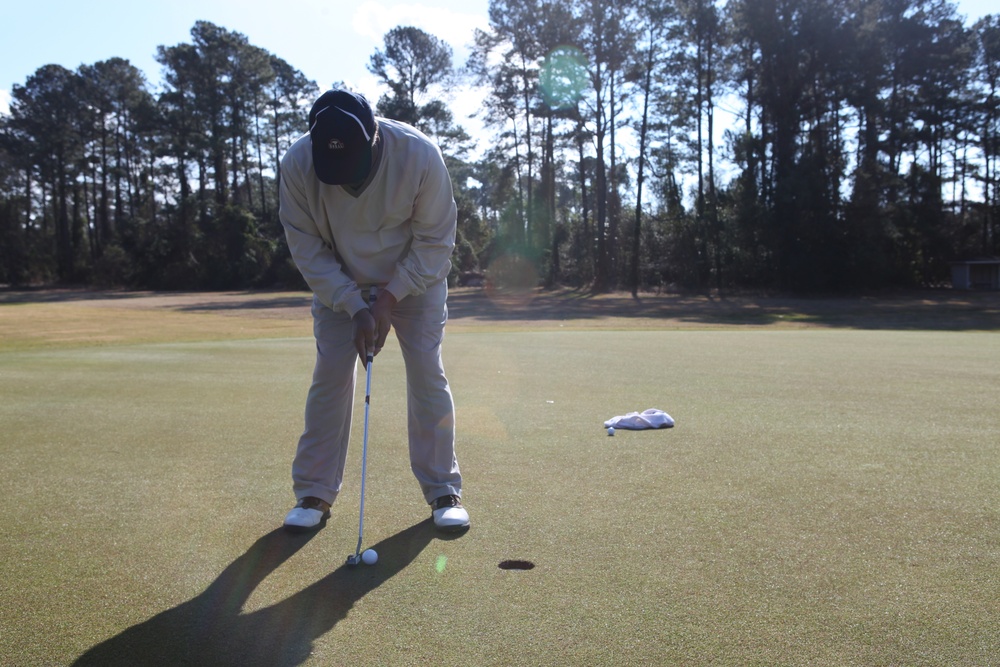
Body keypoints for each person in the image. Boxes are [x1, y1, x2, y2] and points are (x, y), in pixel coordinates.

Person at [277, 89, 468, 533]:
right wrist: (350, 302)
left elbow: (436, 243)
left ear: (375, 136)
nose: (347, 183)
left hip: (415, 280)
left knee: (426, 371)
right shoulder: (297, 164)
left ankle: (443, 490)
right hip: (339, 278)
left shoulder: (419, 155)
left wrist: (389, 296)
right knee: (331, 376)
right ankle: (314, 492)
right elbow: (306, 249)